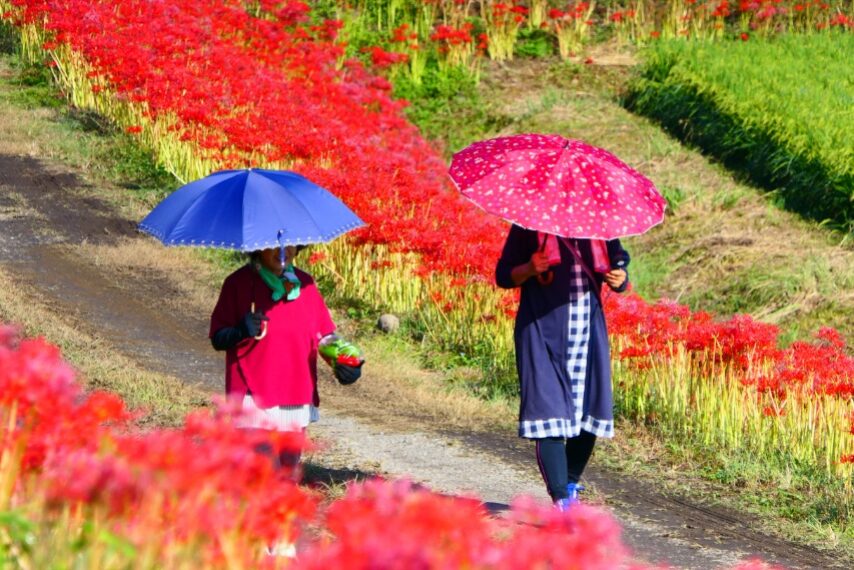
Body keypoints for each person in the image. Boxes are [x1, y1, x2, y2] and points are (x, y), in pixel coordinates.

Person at [495, 225, 629, 510]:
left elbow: (619, 265)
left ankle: (570, 483)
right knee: (548, 415)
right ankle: (561, 499)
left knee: (588, 412)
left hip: (588, 333)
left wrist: (620, 278)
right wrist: (530, 268)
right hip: (542, 330)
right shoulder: (531, 225)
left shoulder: (600, 224)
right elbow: (504, 275)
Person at [209, 245, 363, 469]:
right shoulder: (238, 283)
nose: (283, 251)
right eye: (274, 244)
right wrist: (239, 331)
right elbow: (218, 338)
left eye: (289, 244)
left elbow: (324, 337)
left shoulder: (306, 284)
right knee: (262, 475)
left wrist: (346, 361)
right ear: (258, 247)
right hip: (254, 396)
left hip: (296, 393)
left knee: (287, 475)